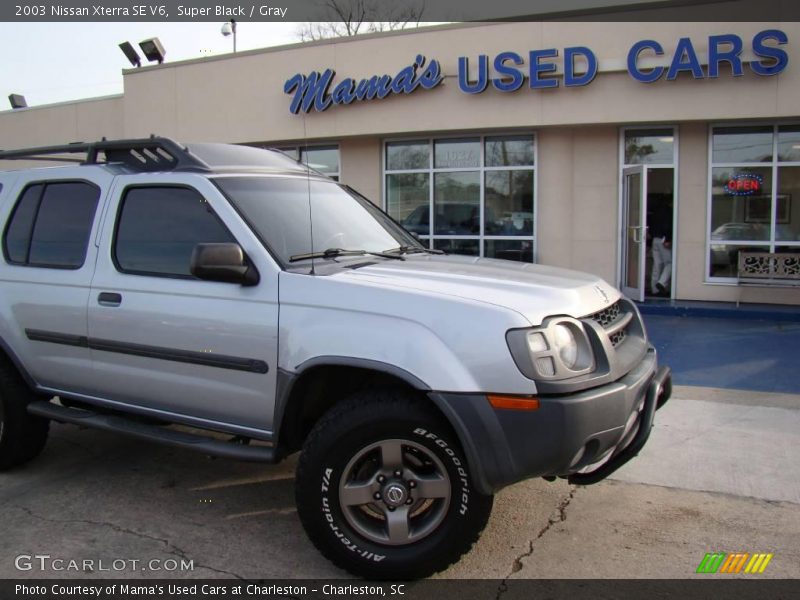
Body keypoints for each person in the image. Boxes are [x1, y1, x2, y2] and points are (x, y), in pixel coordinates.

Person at [649, 200, 673, 297]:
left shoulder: (655, 211)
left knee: (657, 264)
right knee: (670, 263)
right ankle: (662, 283)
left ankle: (654, 289)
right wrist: (668, 239)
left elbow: (650, 226)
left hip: (655, 239)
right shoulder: (668, 211)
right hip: (663, 239)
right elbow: (668, 226)